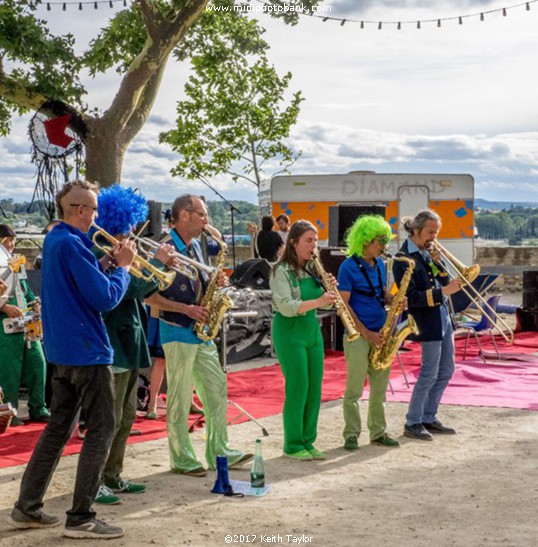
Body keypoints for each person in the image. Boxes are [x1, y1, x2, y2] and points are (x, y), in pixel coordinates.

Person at [9, 180, 136, 539]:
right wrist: (124, 268)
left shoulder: (56, 240)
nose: (96, 216)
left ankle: (27, 507)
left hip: (62, 353)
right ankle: (82, 517)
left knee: (57, 430)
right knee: (102, 431)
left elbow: (82, 284)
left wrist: (107, 262)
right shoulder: (72, 244)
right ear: (79, 211)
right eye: (93, 209)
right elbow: (105, 298)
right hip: (88, 352)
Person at [148, 194, 251, 477]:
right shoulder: (164, 248)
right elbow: (148, 296)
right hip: (177, 329)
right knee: (180, 397)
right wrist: (185, 308)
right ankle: (181, 457)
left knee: (217, 389)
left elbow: (198, 283)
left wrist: (214, 283)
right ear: (184, 215)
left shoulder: (197, 246)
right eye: (202, 215)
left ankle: (220, 450)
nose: (207, 221)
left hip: (200, 331)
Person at [91, 185, 176, 506]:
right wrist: (158, 266)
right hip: (112, 340)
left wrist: (154, 265)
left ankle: (113, 475)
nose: (131, 231)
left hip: (131, 339)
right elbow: (128, 290)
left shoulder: (123, 249)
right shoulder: (104, 250)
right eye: (127, 225)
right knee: (108, 420)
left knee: (126, 416)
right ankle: (95, 480)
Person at [270, 220, 338, 461]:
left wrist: (329, 294)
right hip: (289, 331)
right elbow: (286, 307)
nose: (314, 245)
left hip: (311, 329)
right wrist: (320, 301)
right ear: (294, 243)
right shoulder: (281, 271)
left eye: (315, 240)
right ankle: (293, 443)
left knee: (314, 388)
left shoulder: (313, 268)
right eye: (309, 240)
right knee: (298, 387)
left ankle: (308, 441)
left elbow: (327, 304)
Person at [393, 209, 462, 441]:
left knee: (447, 370)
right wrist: (443, 291)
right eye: (430, 232)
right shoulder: (403, 258)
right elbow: (412, 297)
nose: (434, 237)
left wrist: (440, 265)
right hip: (426, 320)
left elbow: (444, 281)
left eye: (436, 232)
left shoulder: (427, 253)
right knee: (429, 372)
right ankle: (413, 421)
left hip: (443, 316)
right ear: (416, 230)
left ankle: (429, 416)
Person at [337, 215, 401, 451]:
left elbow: (381, 293)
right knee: (354, 389)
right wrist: (365, 332)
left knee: (380, 389)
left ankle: (378, 432)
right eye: (380, 240)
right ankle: (351, 434)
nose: (384, 245)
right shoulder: (348, 267)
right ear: (365, 240)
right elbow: (344, 306)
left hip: (381, 331)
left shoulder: (380, 265)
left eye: (385, 240)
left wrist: (394, 299)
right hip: (359, 335)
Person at [0, 223, 49, 426]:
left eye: (13, 241)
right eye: (8, 241)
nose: (11, 245)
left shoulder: (16, 262)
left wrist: (34, 303)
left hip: (26, 323)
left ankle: (39, 408)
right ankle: (9, 413)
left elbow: (25, 288)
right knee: (9, 370)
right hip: (5, 323)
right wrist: (4, 307)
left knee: (38, 364)